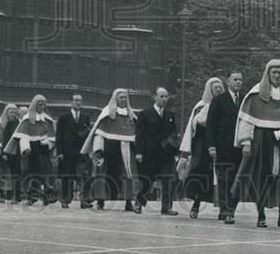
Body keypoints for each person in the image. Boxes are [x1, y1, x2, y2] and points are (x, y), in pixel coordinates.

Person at [233, 59, 280, 229]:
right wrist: (246, 142)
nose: (277, 76)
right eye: (273, 72)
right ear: (268, 74)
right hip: (262, 139)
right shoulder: (256, 94)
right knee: (261, 177)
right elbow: (247, 120)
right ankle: (260, 214)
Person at [81, 88, 142, 212]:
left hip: (126, 149)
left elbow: (136, 134)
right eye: (121, 97)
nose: (124, 100)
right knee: (103, 174)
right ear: (115, 99)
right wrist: (98, 150)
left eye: (126, 97)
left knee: (128, 174)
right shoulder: (107, 113)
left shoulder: (131, 115)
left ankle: (128, 201)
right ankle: (100, 201)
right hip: (109, 148)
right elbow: (99, 133)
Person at [179, 77, 225, 219]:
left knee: (222, 174)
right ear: (209, 90)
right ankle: (196, 205)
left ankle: (224, 209)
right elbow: (193, 125)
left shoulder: (225, 104)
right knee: (200, 173)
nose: (218, 89)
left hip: (221, 142)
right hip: (203, 144)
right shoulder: (200, 106)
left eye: (219, 87)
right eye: (215, 88)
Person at [4, 94, 58, 205]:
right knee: (32, 173)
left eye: (44, 104)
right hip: (32, 150)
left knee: (47, 172)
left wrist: (48, 143)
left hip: (44, 149)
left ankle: (47, 195)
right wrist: (26, 148)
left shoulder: (48, 120)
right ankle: (31, 196)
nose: (42, 106)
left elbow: (52, 136)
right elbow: (22, 135)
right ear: (35, 105)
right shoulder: (27, 119)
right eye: (40, 104)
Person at [135, 87, 181, 216]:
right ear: (154, 97)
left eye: (166, 96)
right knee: (148, 180)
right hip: (150, 153)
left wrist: (175, 151)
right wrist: (138, 152)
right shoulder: (145, 114)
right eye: (161, 96)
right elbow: (139, 135)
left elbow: (174, 134)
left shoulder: (170, 115)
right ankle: (139, 203)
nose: (164, 99)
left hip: (166, 154)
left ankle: (166, 207)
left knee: (168, 180)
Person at [206, 69, 243, 224]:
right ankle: (225, 209)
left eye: (240, 79)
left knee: (238, 179)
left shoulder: (245, 101)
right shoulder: (219, 100)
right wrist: (211, 146)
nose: (238, 82)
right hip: (223, 146)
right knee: (224, 178)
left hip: (240, 147)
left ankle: (231, 208)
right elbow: (210, 124)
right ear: (228, 81)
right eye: (235, 79)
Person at [56, 93, 93, 208]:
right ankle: (65, 200)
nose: (78, 103)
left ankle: (84, 200)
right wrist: (60, 152)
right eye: (76, 100)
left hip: (81, 152)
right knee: (67, 176)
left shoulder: (85, 118)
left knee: (83, 176)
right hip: (67, 152)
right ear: (71, 102)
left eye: (80, 101)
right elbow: (59, 136)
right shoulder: (64, 118)